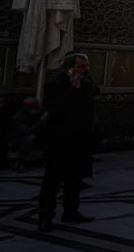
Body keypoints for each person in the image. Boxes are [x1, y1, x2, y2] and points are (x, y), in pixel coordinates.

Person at [37, 52, 98, 232]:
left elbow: (92, 98)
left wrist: (81, 85)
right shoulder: (55, 83)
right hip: (59, 140)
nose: (85, 69)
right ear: (70, 67)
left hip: (79, 139)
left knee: (75, 179)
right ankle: (45, 216)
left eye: (87, 66)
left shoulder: (85, 83)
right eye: (81, 66)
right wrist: (72, 89)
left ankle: (71, 211)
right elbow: (55, 108)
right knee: (53, 180)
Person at [10, 95, 44, 171]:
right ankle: (20, 162)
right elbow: (27, 132)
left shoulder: (37, 111)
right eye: (34, 106)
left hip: (36, 136)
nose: (37, 108)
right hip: (18, 140)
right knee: (30, 138)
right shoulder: (17, 117)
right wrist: (41, 121)